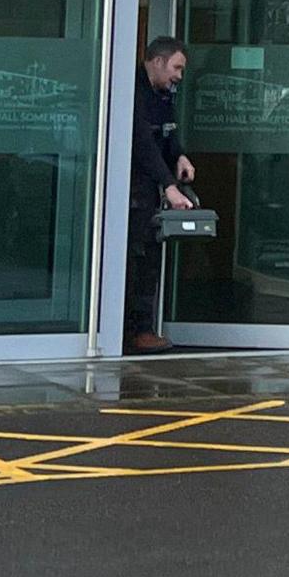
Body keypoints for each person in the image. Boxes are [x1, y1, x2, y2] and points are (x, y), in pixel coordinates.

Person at [128, 34, 196, 354]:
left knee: (148, 259)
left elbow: (167, 130)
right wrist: (169, 185)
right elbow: (141, 142)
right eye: (176, 68)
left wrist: (179, 154)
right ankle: (134, 331)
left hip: (149, 187)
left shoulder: (164, 92)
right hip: (132, 189)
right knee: (137, 258)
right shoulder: (133, 88)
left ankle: (141, 328)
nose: (179, 76)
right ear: (157, 62)